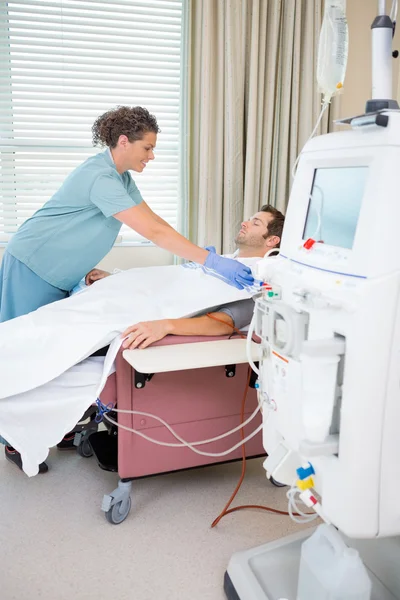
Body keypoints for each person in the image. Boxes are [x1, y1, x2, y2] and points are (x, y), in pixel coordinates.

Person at [0, 105, 254, 471]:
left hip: (63, 270)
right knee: (25, 350)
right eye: (147, 147)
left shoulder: (120, 179)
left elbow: (155, 222)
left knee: (57, 352)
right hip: (33, 264)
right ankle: (13, 440)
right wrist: (208, 260)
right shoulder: (100, 177)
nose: (152, 155)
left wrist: (202, 256)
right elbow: (153, 233)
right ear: (124, 141)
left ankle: (55, 427)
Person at [86, 204, 285, 349]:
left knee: (84, 328)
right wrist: (116, 279)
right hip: (142, 299)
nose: (245, 223)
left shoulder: (256, 278)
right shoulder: (223, 261)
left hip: (148, 312)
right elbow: (170, 280)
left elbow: (224, 322)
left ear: (272, 240)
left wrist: (165, 325)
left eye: (255, 223)